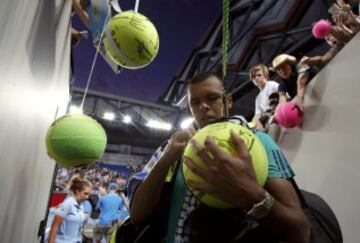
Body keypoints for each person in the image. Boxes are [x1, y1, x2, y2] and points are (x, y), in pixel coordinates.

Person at [128, 72, 310, 243]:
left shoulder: (259, 142)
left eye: (212, 98)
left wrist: (249, 194)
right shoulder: (174, 147)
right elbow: (137, 215)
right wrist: (167, 157)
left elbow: (300, 231)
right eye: (195, 103)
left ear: (228, 100)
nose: (203, 107)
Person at [48, 175, 92, 243]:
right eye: (85, 193)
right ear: (77, 191)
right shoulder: (67, 203)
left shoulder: (81, 205)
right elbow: (54, 225)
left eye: (89, 194)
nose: (87, 197)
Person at [249, 64, 281, 141]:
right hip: (266, 122)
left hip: (275, 119)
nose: (256, 78)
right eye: (253, 77)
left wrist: (260, 122)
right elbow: (257, 116)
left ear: (265, 75)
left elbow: (275, 104)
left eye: (259, 75)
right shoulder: (258, 98)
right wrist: (248, 126)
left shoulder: (271, 85)